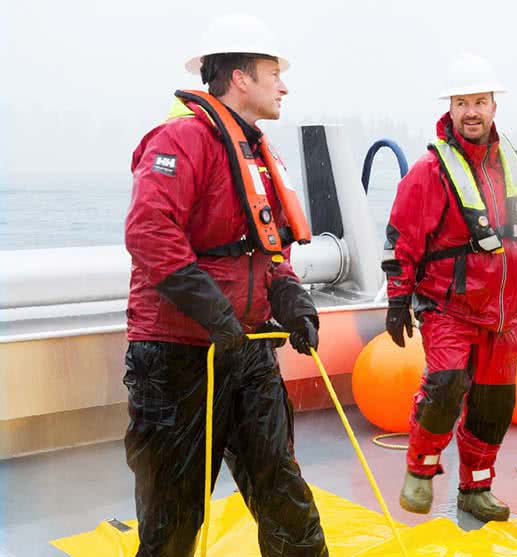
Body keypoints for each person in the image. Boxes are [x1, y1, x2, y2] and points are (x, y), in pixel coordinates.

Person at [122, 14, 327, 556]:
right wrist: (216, 315)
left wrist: (290, 297)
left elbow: (265, 248)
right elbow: (149, 234)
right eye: (272, 72)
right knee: (173, 514)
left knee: (284, 493)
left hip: (245, 351)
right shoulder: (182, 140)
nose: (283, 85)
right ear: (240, 78)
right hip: (177, 359)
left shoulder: (254, 152)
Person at [382, 53, 517, 523]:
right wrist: (397, 300)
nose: (470, 111)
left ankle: (476, 489)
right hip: (447, 307)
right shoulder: (428, 172)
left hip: (503, 314)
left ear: (494, 106)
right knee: (446, 385)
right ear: (449, 109)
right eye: (461, 102)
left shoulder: (515, 166)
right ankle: (420, 469)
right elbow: (401, 240)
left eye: (479, 101)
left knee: (495, 404)